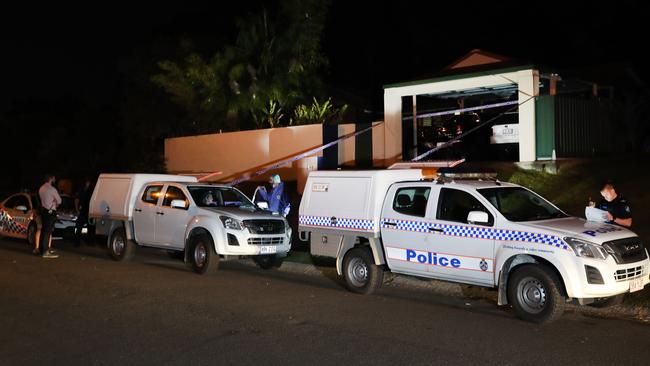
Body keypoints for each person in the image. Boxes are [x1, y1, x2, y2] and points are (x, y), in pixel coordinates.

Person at [38, 174, 61, 258]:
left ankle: (42, 249)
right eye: (54, 177)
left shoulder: (41, 188)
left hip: (44, 211)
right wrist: (55, 201)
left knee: (44, 230)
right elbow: (59, 201)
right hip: (50, 212)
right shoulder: (52, 189)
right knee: (47, 231)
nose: (55, 179)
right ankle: (45, 251)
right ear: (51, 178)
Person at [74, 178, 93, 246]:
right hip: (82, 211)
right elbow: (76, 201)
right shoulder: (81, 191)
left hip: (88, 212)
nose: (89, 184)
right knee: (79, 227)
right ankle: (76, 242)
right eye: (88, 182)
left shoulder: (91, 191)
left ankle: (89, 242)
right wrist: (77, 210)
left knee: (90, 228)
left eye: (89, 183)